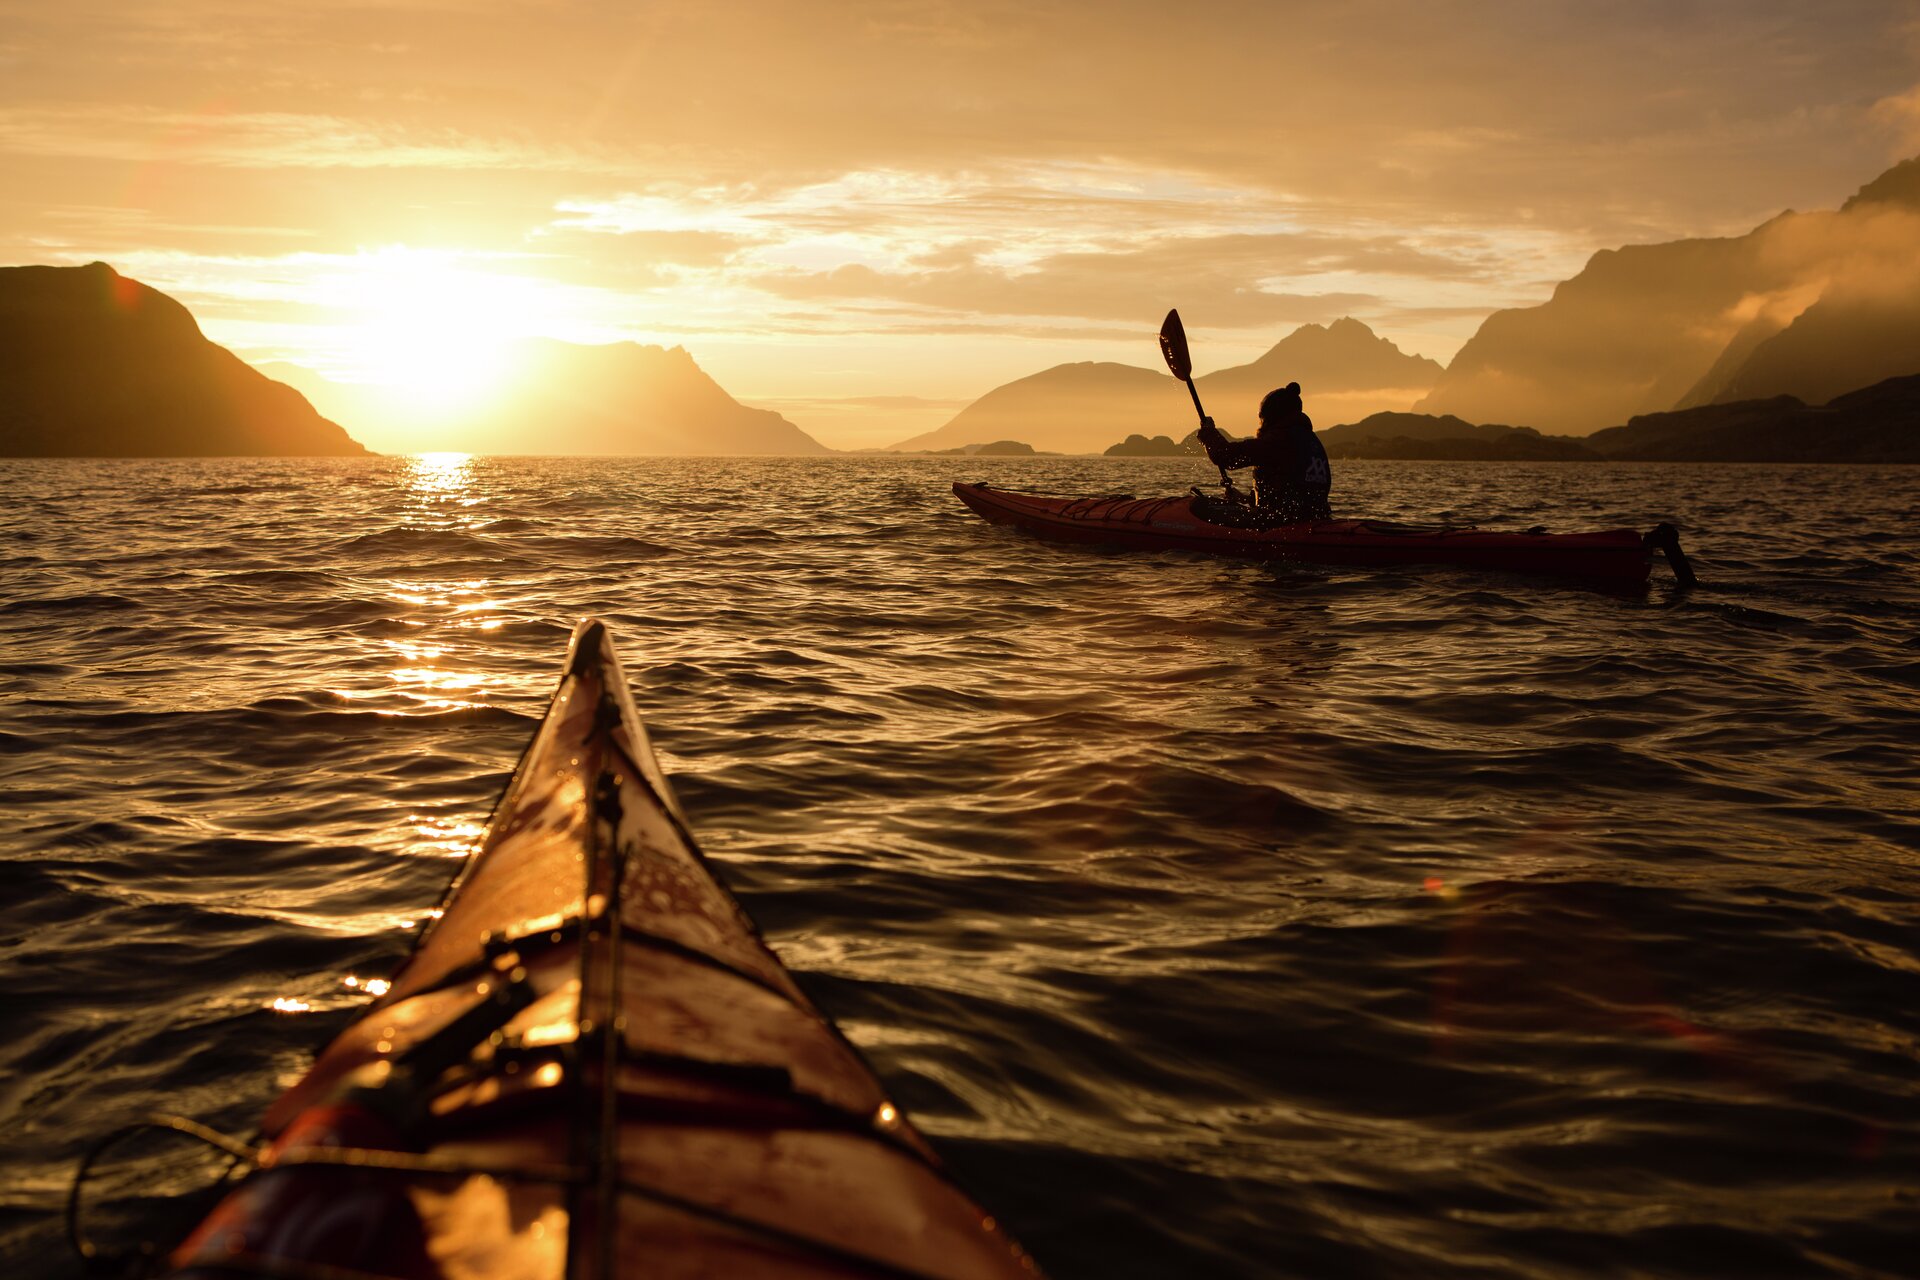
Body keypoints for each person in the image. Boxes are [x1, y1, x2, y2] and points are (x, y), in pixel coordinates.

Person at [1196, 382, 1332, 522]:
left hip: (1282, 525)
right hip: (1316, 520)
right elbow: (1292, 491)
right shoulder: (1312, 441)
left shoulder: (1279, 440)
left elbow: (1225, 456)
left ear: (1271, 416)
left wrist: (1208, 432)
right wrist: (1246, 498)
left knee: (1201, 507)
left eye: (1262, 418)